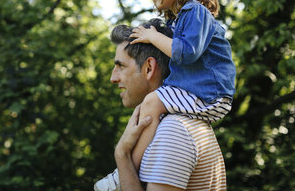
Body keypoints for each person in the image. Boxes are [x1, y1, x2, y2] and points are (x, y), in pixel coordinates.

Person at [95, 0, 235, 190]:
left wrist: (151, 36)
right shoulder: (181, 18)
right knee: (150, 105)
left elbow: (186, 52)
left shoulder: (175, 132)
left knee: (150, 103)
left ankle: (124, 173)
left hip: (208, 94)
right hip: (202, 94)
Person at [94, 22, 227, 190]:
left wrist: (121, 155)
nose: (113, 78)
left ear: (149, 68)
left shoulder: (174, 131)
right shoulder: (178, 124)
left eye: (121, 66)